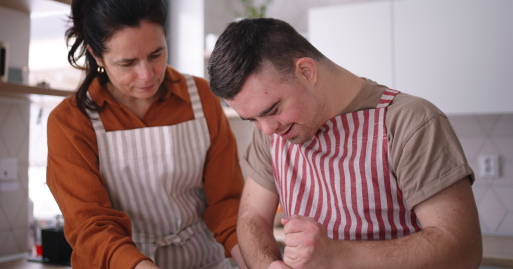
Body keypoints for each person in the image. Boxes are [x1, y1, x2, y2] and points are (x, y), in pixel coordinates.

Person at [207, 17, 483, 269]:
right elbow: (252, 218)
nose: (266, 129)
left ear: (305, 71)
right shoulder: (271, 130)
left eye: (273, 109)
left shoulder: (409, 121)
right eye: (252, 119)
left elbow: (463, 250)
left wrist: (338, 255)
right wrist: (268, 265)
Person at [46, 0, 246, 269]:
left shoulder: (201, 97)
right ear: (96, 55)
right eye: (127, 64)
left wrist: (254, 260)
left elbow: (226, 204)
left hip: (205, 261)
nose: (147, 75)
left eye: (156, 54)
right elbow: (90, 225)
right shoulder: (71, 121)